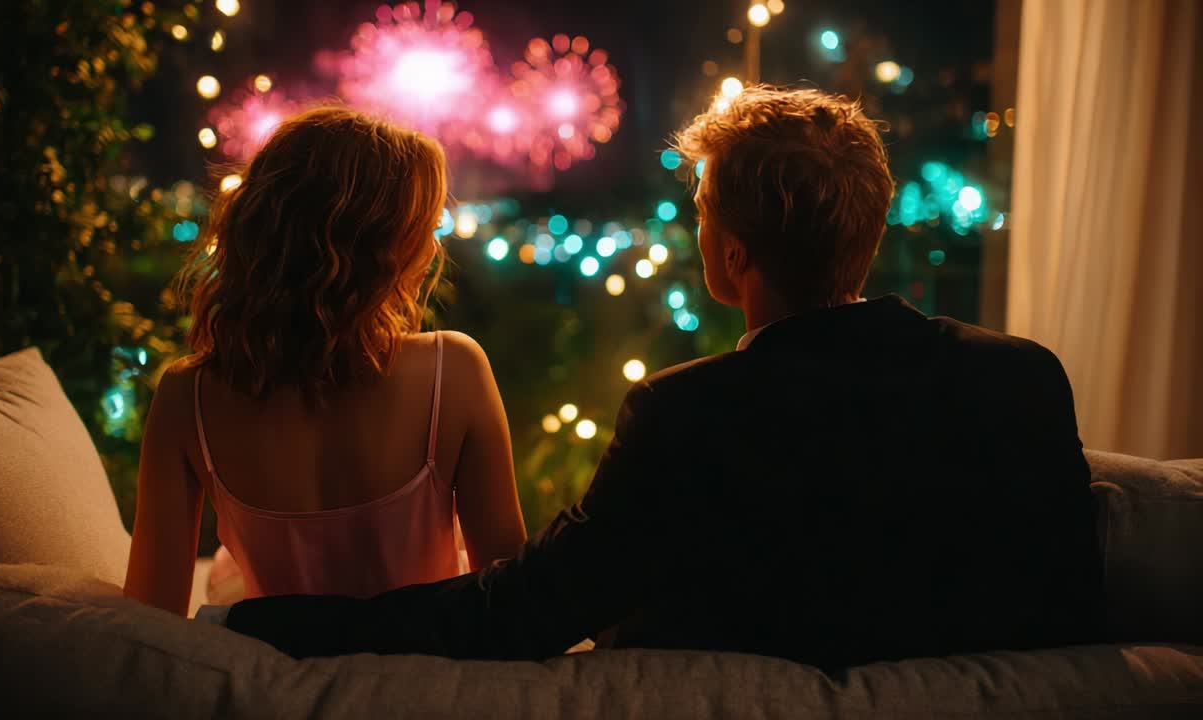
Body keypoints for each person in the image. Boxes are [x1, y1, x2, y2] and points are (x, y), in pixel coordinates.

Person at [223, 87, 1103, 671]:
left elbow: (518, 614)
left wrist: (254, 626)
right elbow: (1072, 612)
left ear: (731, 255)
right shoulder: (1022, 379)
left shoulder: (688, 414)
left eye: (700, 212)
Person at [124, 107, 527, 617]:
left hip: (274, 674)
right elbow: (511, 597)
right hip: (422, 670)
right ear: (384, 244)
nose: (432, 245)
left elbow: (147, 618)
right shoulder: (456, 369)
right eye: (423, 227)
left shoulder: (187, 396)